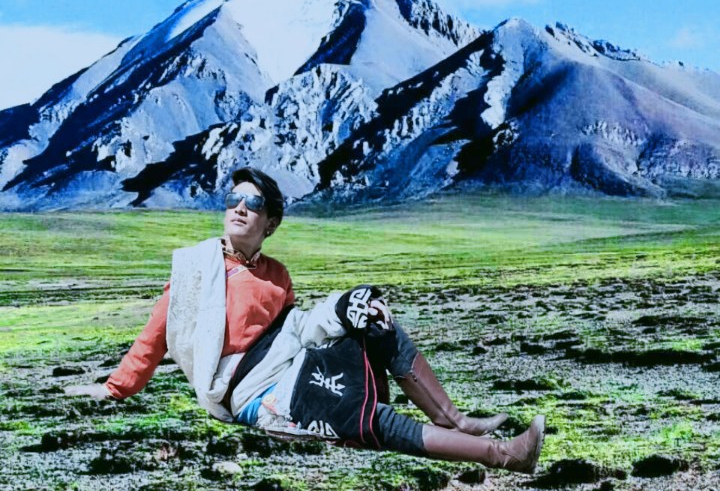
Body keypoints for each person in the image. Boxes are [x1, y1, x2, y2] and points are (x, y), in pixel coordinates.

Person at [66, 167, 545, 473]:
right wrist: (114, 389)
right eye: (233, 199)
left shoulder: (276, 274)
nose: (239, 207)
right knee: (364, 417)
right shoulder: (196, 269)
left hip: (293, 360)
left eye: (253, 203)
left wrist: (350, 306)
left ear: (270, 223)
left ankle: (455, 419)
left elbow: (296, 326)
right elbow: (155, 337)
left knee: (375, 319)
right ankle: (504, 455)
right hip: (254, 390)